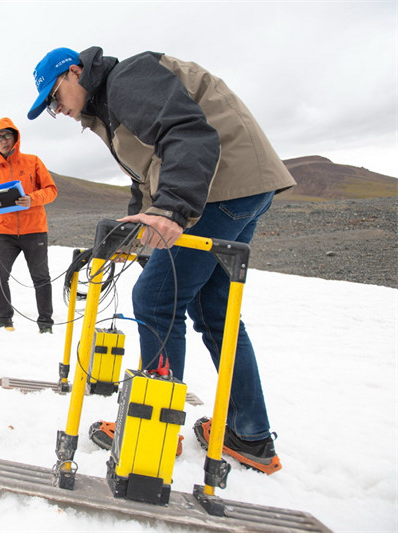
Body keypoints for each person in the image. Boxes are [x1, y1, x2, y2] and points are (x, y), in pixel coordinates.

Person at [27, 47, 295, 474]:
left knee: (154, 299)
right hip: (241, 186)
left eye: (55, 98)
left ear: (74, 72)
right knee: (215, 314)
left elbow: (188, 134)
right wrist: (132, 239)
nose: (58, 110)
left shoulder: (127, 79)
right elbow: (147, 173)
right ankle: (250, 435)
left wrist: (172, 210)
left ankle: (156, 430)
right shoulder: (111, 105)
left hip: (218, 187)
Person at [0, 117, 58, 333]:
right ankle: (4, 320)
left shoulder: (33, 161)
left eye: (7, 135)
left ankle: (45, 325)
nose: (4, 141)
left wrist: (32, 199)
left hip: (35, 230)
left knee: (40, 277)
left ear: (15, 137)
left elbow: (51, 190)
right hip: (5, 233)